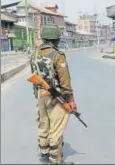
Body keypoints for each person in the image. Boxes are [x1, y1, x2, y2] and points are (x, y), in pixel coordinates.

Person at [31, 24, 76, 164]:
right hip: (56, 97)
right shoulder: (58, 55)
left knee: (43, 125)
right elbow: (65, 83)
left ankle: (44, 156)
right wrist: (70, 100)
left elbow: (34, 75)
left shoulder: (35, 54)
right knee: (56, 130)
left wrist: (37, 94)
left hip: (40, 95)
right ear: (56, 39)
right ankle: (56, 160)